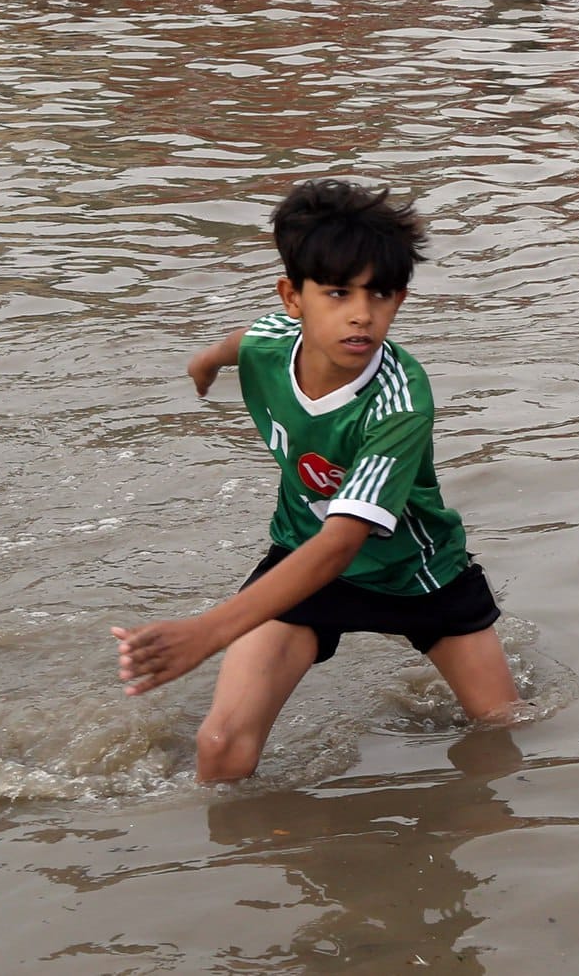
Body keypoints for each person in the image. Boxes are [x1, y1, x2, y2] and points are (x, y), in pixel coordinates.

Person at [113, 178, 522, 782]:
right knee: (222, 745)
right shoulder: (269, 343)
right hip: (302, 558)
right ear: (293, 298)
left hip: (417, 575)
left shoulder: (399, 402)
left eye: (379, 294)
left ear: (400, 300)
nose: (361, 314)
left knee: (506, 735)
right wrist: (202, 364)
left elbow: (342, 544)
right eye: (336, 293)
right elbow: (240, 344)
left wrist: (208, 632)